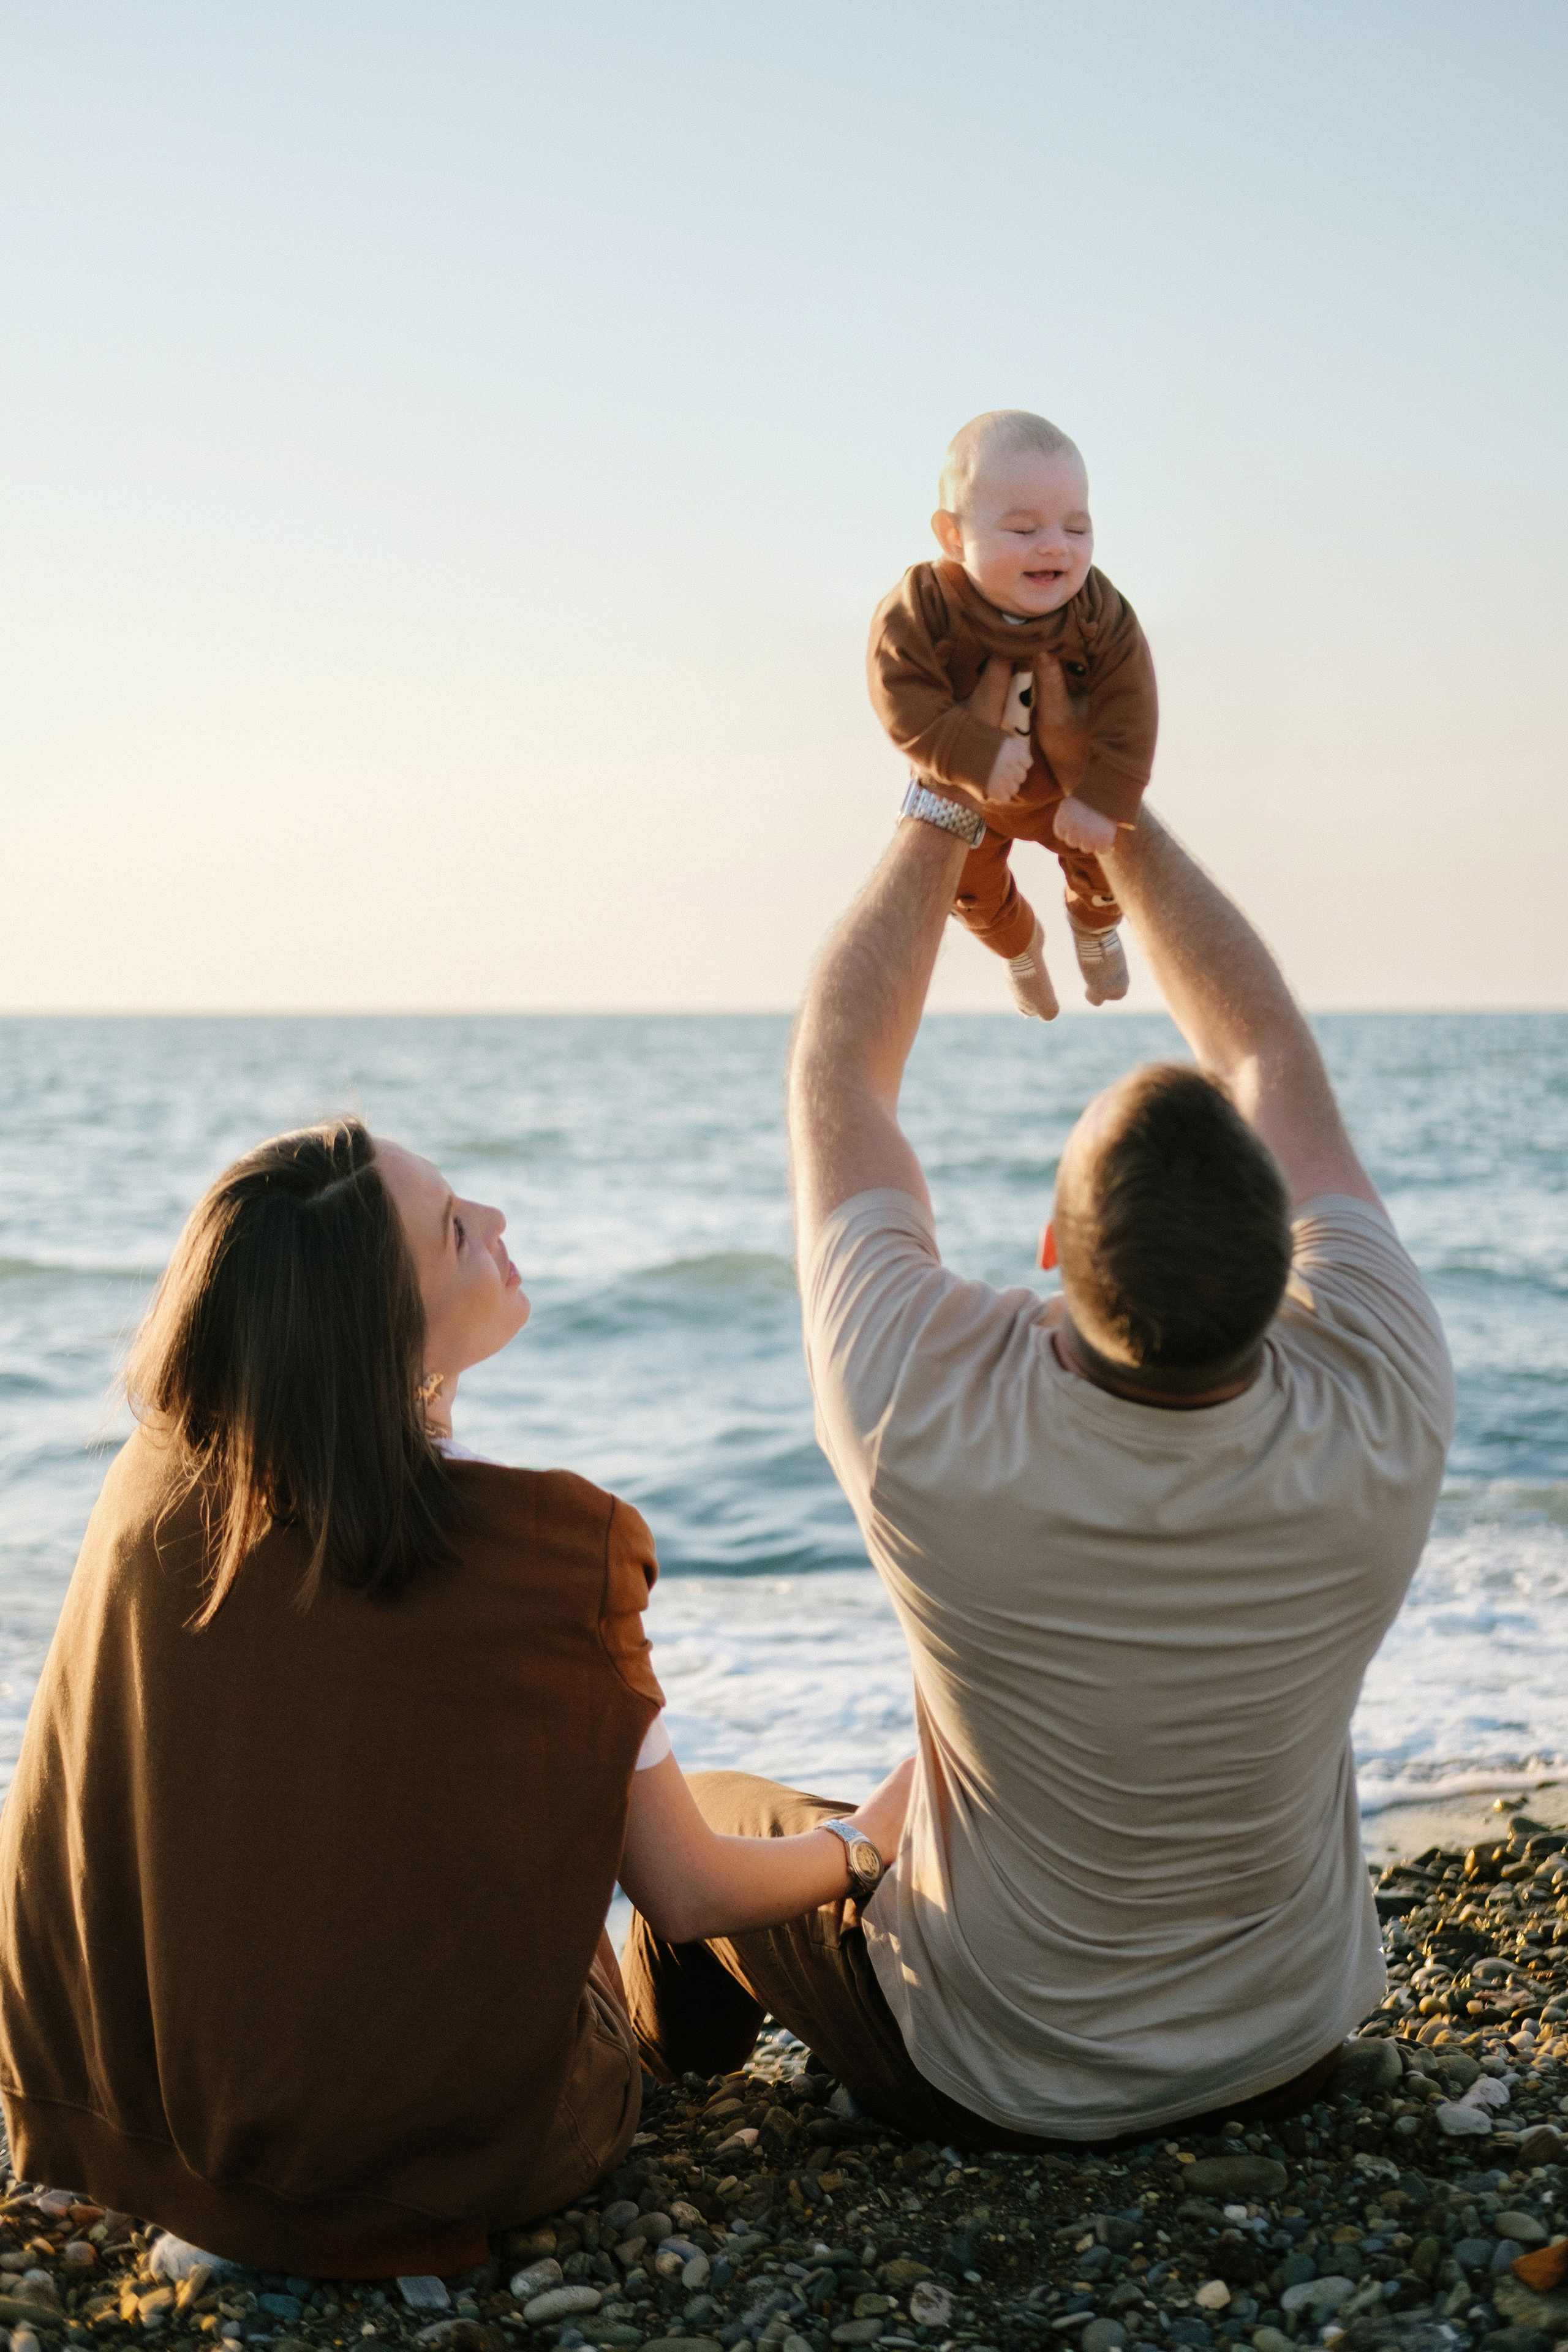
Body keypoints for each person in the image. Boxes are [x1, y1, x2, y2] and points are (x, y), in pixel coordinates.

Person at [623, 802, 1454, 2149]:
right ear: (1294, 1257)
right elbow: (1263, 1052)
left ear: (1050, 1255)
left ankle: (651, 2096)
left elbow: (838, 1073)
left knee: (714, 1823)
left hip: (991, 2077)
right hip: (1286, 2041)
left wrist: (942, 807)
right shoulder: (1385, 1392)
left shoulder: (925, 1413)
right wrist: (1106, 811)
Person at [0, 1120, 910, 2274]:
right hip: (443, 2165)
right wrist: (862, 1843)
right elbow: (684, 1895)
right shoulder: (547, 1545)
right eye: (456, 1232)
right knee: (716, 1814)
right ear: (388, 1334)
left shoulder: (158, 1482)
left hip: (151, 2136)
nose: (499, 1225)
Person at [867, 409, 1159, 1019]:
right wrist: (970, 752)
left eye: (1076, 528)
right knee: (968, 892)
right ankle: (1020, 952)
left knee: (1107, 859)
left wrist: (1103, 795)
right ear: (952, 537)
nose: (1055, 545)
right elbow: (899, 687)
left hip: (1065, 789)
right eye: (1024, 530)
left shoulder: (1098, 610)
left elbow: (1131, 702)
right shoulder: (927, 604)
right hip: (972, 789)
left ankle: (1094, 925)